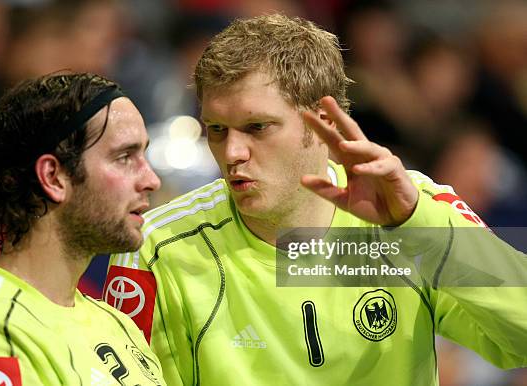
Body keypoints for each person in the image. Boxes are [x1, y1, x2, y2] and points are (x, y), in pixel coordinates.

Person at [103, 14, 527, 386]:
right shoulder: (159, 246)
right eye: (216, 130)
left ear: (323, 123)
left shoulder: (411, 208)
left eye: (257, 127)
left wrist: (416, 224)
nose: (232, 153)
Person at [0, 73, 166, 385]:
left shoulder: (119, 325)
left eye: (144, 154)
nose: (151, 180)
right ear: (53, 177)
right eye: (124, 157)